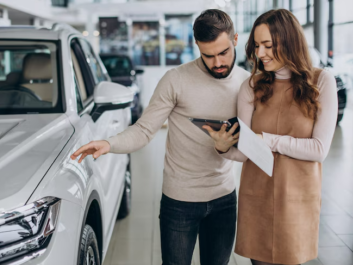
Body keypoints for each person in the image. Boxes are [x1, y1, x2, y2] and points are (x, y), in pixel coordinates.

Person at [71, 9, 250, 265]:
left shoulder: (247, 83)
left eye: (223, 53)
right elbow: (144, 130)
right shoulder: (175, 80)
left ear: (234, 41)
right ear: (197, 45)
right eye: (208, 55)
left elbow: (254, 141)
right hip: (180, 201)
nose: (217, 62)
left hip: (224, 198)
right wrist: (110, 143)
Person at [204, 9, 337, 265]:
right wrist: (223, 149)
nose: (260, 54)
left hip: (297, 197)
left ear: (290, 41)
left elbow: (319, 149)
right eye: (256, 45)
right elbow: (245, 150)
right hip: (258, 194)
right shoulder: (251, 86)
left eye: (268, 45)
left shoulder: (321, 82)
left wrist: (269, 140)